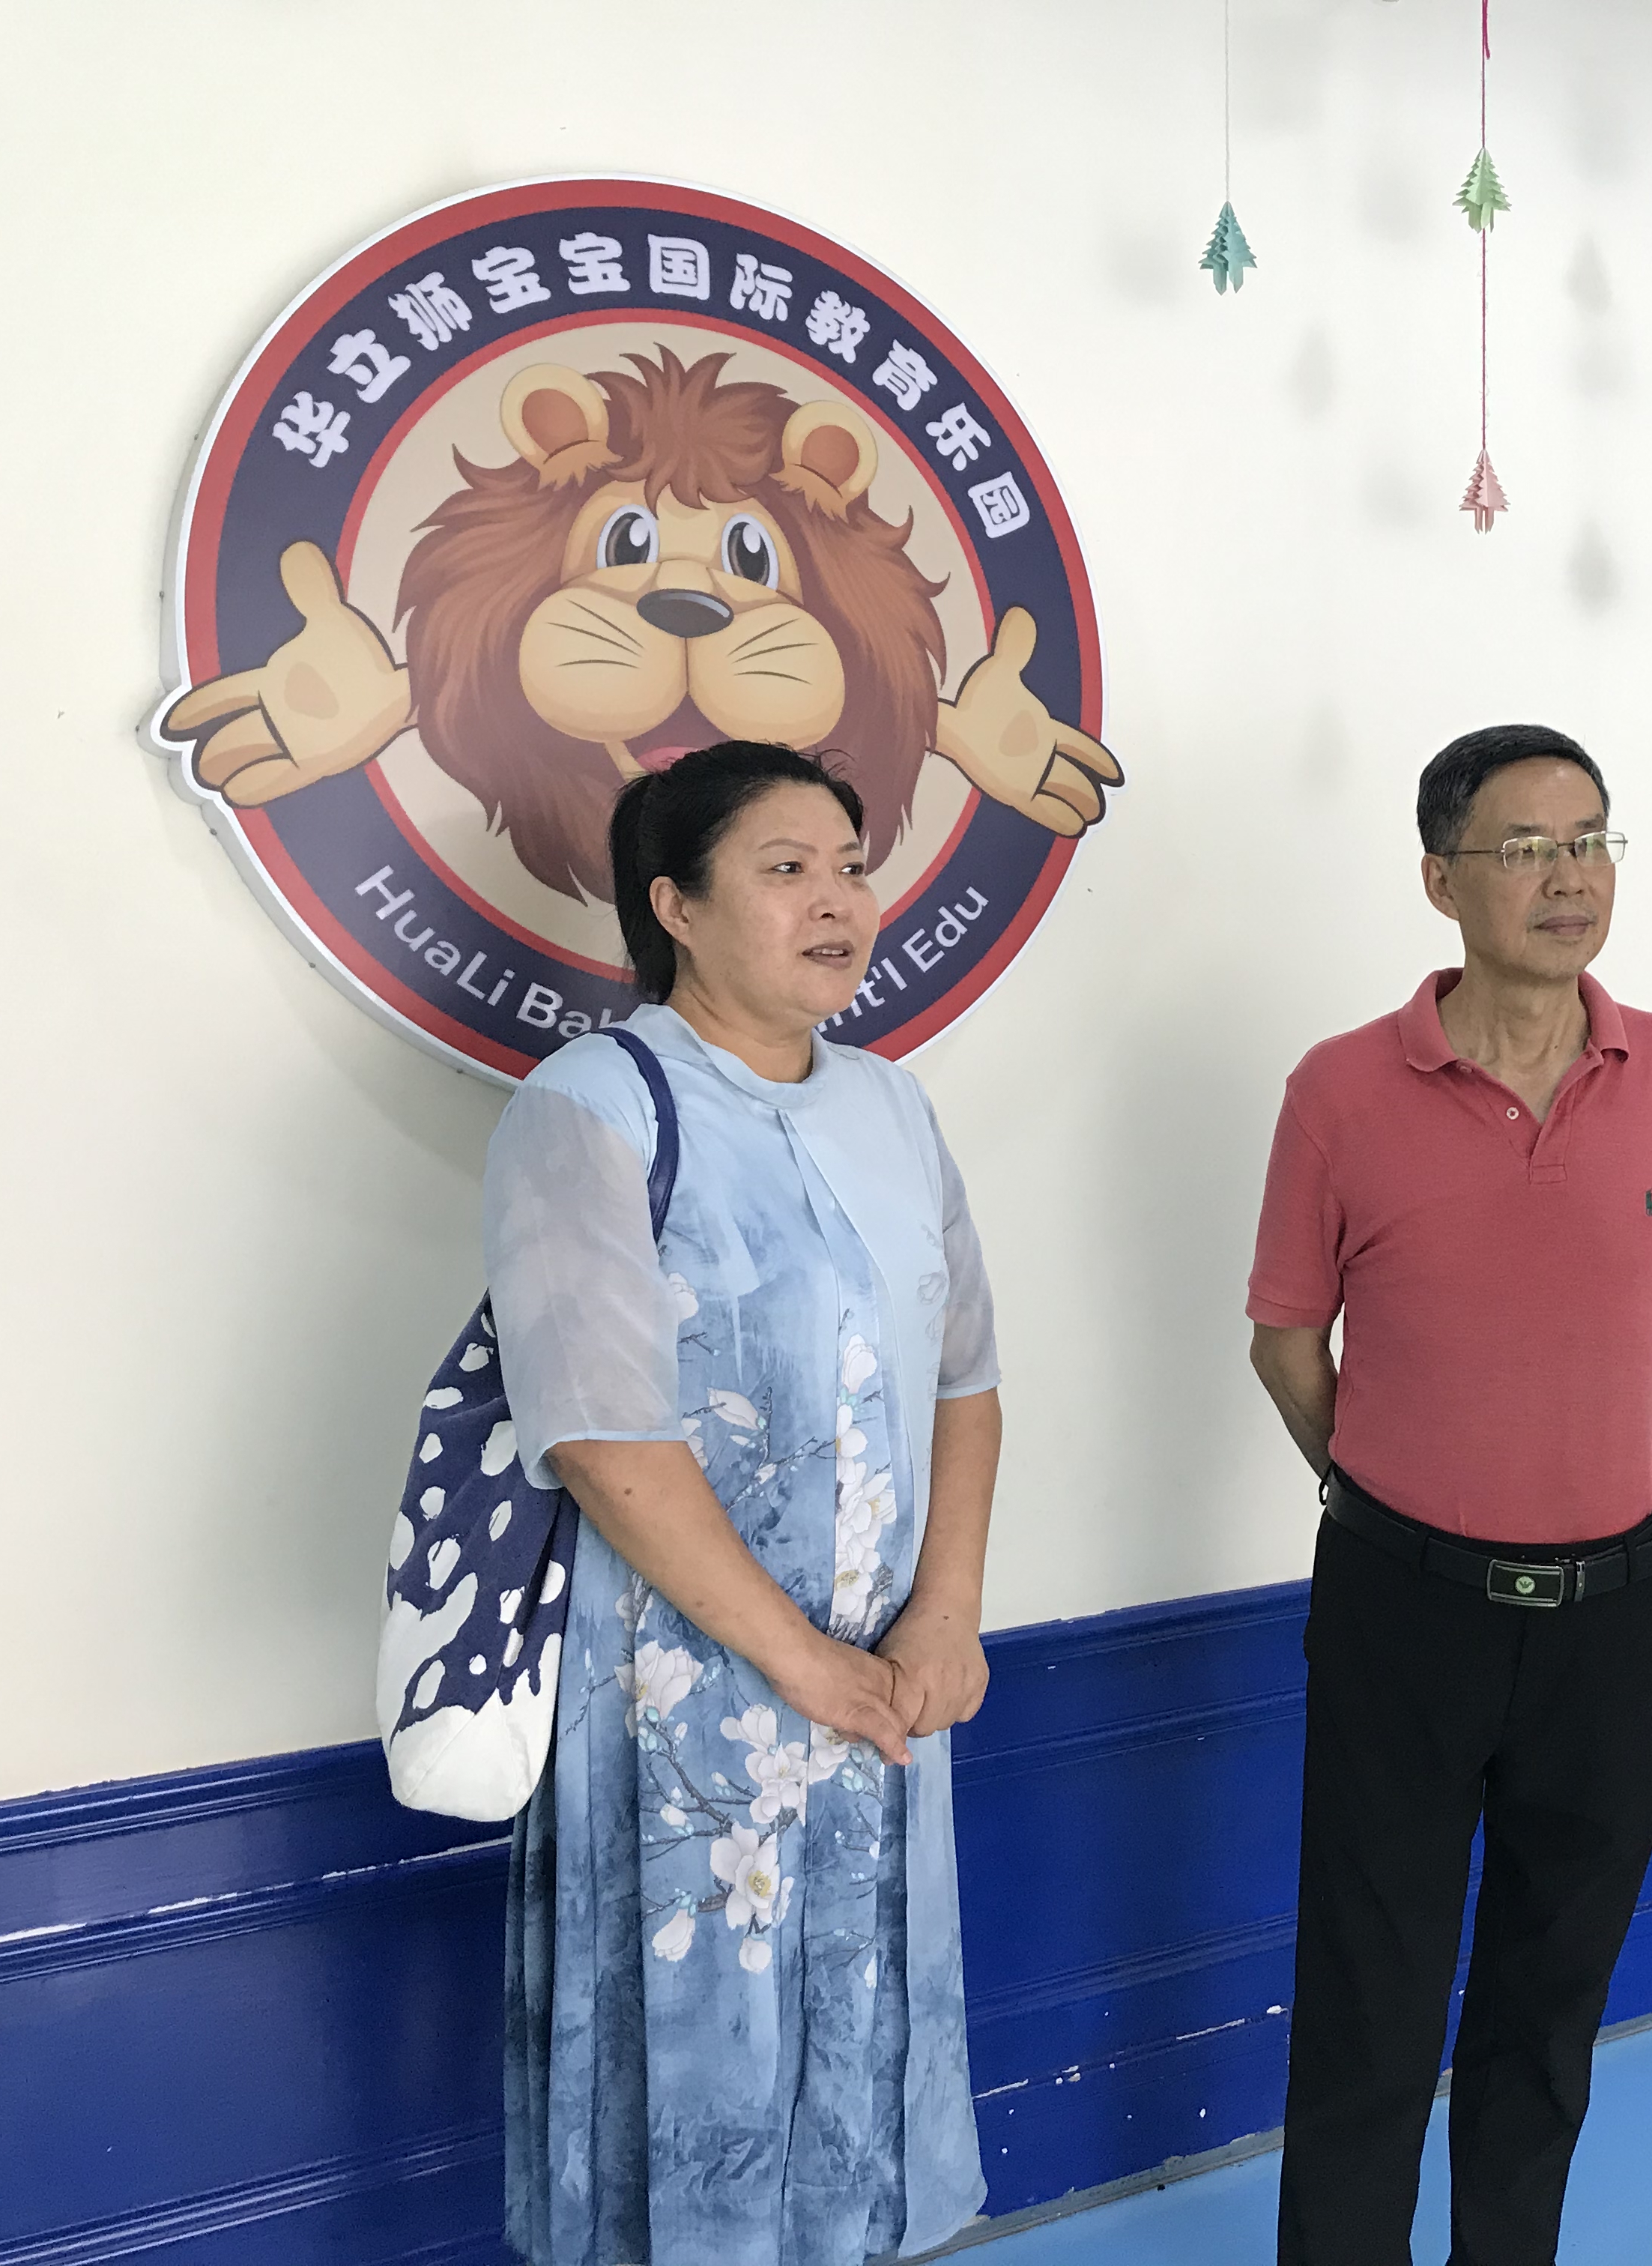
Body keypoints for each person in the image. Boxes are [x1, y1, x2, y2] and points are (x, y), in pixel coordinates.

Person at [485, 741, 1004, 2266]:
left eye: (850, 867)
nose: (838, 901)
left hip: (886, 1684)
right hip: (680, 1700)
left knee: (862, 2059)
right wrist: (798, 1662)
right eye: (786, 870)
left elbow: (967, 1381)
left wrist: (945, 1615)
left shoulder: (894, 1107)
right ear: (677, 908)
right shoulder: (591, 1107)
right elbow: (601, 1435)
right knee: (691, 2077)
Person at [1247, 725, 1652, 2266]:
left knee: (1550, 2000)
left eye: (1589, 841)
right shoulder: (1340, 1090)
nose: (1567, 876)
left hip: (1621, 1613)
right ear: (1440, 879)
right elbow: (1287, 1344)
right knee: (1370, 1999)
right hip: (1405, 1611)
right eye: (1524, 848)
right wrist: (1411, 1489)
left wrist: (1562, 1457)